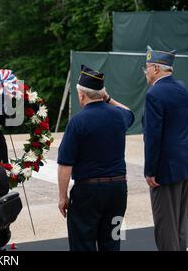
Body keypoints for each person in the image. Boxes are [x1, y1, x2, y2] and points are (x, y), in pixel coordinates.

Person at [57, 65, 134, 251]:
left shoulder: (77, 121)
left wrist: (62, 197)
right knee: (113, 241)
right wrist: (107, 98)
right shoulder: (118, 116)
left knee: (83, 244)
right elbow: (130, 113)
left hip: (87, 193)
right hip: (118, 191)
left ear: (81, 95)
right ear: (101, 93)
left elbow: (65, 164)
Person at [142, 46, 188, 251]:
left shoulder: (154, 94)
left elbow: (153, 137)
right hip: (185, 163)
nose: (145, 72)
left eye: (146, 68)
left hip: (165, 168)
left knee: (166, 226)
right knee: (180, 223)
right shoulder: (181, 87)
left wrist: (150, 171)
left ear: (156, 68)